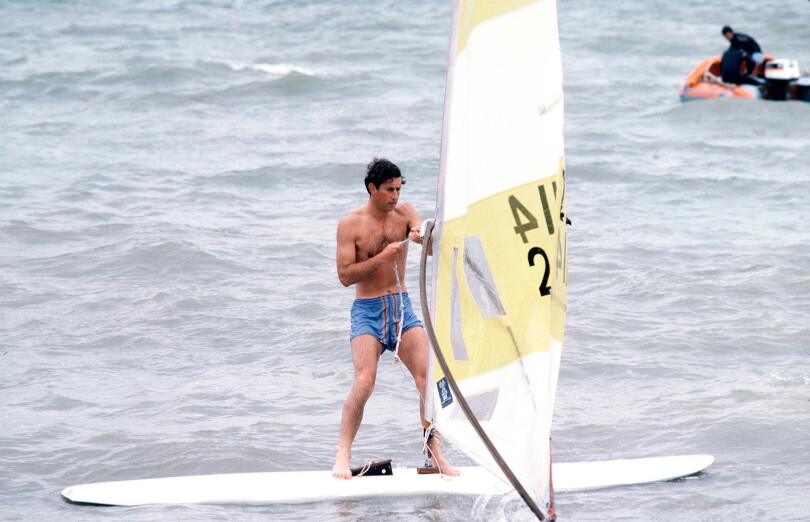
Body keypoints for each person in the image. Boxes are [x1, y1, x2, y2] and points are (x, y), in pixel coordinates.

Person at [332, 158, 459, 480]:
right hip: (368, 311)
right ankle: (342, 454)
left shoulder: (404, 213)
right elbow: (345, 276)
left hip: (402, 308)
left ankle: (434, 454)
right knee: (365, 381)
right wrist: (381, 257)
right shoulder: (350, 224)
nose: (395, 196)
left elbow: (432, 245)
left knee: (427, 378)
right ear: (372, 188)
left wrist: (423, 237)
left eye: (399, 189)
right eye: (389, 189)